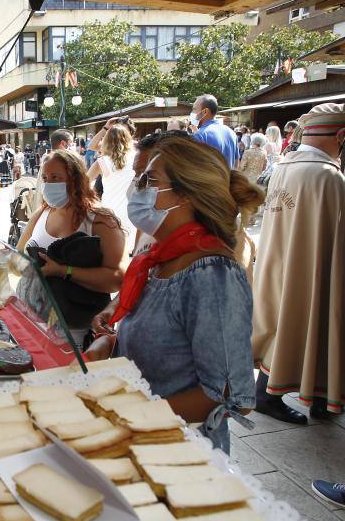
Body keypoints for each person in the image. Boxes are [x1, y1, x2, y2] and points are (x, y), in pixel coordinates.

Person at [85, 137, 264, 453]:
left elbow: (226, 393)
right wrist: (111, 343)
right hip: (138, 437)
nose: (137, 188)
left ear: (186, 195)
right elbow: (167, 341)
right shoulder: (159, 258)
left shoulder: (212, 276)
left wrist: (127, 415)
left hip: (181, 450)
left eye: (149, 180)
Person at [251, 103, 345, 424]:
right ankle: (310, 396)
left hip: (277, 261)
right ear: (341, 136)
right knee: (316, 319)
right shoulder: (327, 177)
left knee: (281, 322)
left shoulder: (283, 166)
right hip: (309, 267)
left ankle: (292, 393)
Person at [18, 149, 126, 341]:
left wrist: (63, 270)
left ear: (75, 179)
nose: (49, 183)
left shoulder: (100, 221)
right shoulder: (41, 214)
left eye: (56, 177)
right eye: (45, 177)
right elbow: (17, 255)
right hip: (35, 321)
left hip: (78, 331)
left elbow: (117, 279)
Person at [86, 125, 136, 254]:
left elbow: (84, 182)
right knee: (130, 253)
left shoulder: (103, 162)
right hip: (132, 211)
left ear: (107, 141)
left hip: (109, 211)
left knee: (111, 252)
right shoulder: (137, 158)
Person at [190, 94, 239, 168]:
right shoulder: (231, 132)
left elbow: (194, 168)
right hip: (228, 178)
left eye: (194, 109)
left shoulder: (200, 135)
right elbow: (236, 163)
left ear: (205, 111)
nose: (192, 113)